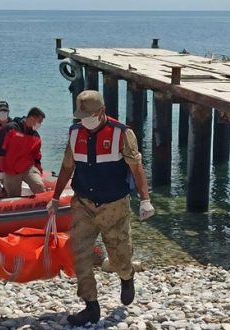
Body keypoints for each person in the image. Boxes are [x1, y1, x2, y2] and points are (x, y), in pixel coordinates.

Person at [47, 90, 155, 326]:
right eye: (81, 116)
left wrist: (145, 200)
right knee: (80, 254)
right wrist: (55, 198)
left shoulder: (122, 134)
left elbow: (136, 168)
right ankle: (90, 305)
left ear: (101, 112)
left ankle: (127, 276)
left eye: (88, 116)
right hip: (83, 203)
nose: (84, 120)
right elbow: (67, 166)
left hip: (114, 204)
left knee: (119, 253)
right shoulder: (75, 133)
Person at [0, 107, 46, 197]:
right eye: (39, 121)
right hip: (10, 169)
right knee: (14, 195)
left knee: (39, 186)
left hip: (27, 167)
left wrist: (39, 170)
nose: (40, 124)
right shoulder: (10, 128)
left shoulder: (36, 136)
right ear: (32, 119)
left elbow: (37, 156)